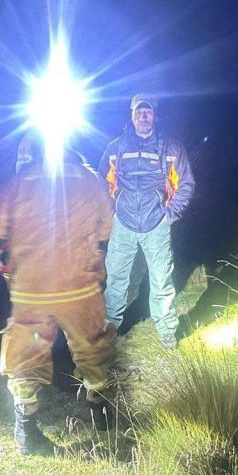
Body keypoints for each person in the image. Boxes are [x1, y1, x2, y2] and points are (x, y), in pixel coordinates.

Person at [0, 145, 115, 455]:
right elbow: (106, 227)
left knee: (26, 355)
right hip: (79, 284)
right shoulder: (90, 178)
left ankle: (26, 429)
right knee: (91, 346)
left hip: (32, 286)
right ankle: (100, 411)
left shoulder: (21, 180)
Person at [97, 93, 195, 349]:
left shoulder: (172, 148)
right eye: (139, 111)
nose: (143, 116)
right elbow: (101, 183)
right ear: (131, 114)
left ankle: (166, 331)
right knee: (116, 279)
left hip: (157, 226)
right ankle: (109, 329)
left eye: (148, 111)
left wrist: (170, 214)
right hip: (123, 225)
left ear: (155, 115)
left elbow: (186, 184)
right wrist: (112, 212)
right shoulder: (115, 148)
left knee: (162, 280)